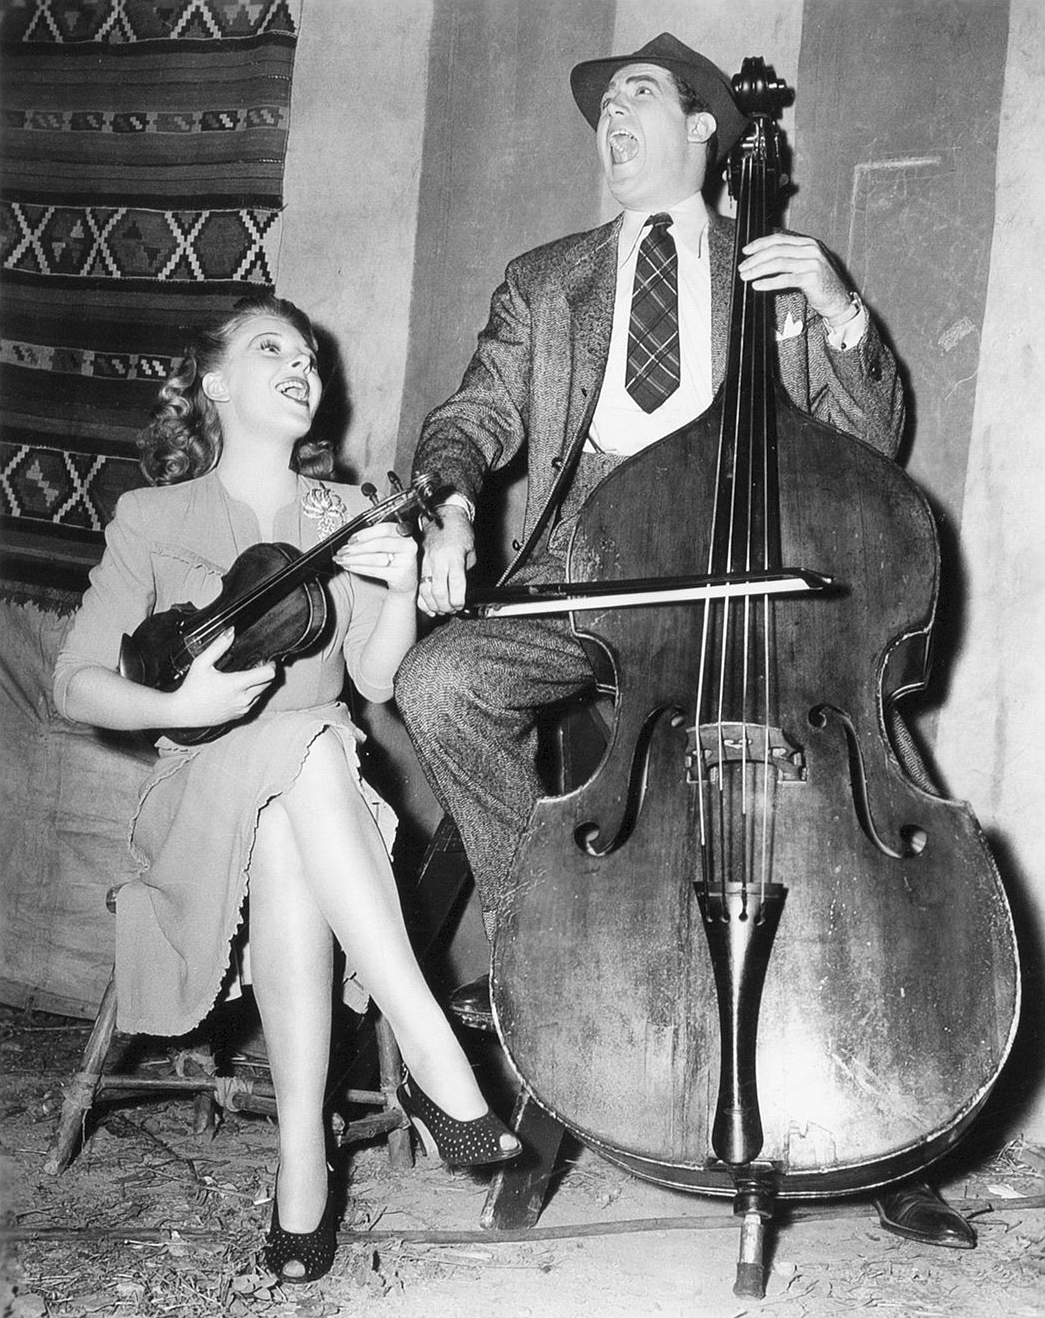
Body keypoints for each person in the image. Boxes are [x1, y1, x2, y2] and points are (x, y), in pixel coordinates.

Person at [394, 34, 975, 1252]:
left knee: (874, 759)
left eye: (639, 96)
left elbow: (869, 442)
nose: (612, 116)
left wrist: (838, 309)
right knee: (438, 679)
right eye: (604, 103)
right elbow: (473, 416)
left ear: (706, 127)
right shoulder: (545, 280)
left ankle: (899, 1126)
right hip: (587, 579)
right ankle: (547, 944)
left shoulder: (768, 272)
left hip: (752, 597)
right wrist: (447, 501)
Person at [53, 293, 520, 1286]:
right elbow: (76, 682)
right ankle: (429, 1043)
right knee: (303, 745)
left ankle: (302, 1156)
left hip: (317, 799)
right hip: (194, 794)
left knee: (299, 776)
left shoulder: (342, 513)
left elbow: (379, 680)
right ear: (215, 381)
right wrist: (187, 698)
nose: (301, 366)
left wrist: (400, 588)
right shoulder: (152, 515)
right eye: (273, 349)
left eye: (309, 355)